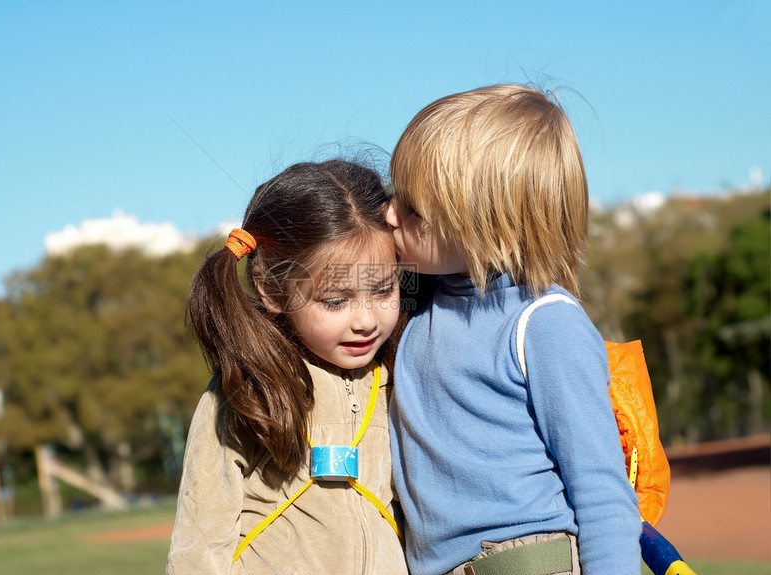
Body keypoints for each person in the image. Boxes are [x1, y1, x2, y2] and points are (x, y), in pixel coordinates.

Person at [384, 84, 642, 575]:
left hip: (526, 562)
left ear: (492, 228)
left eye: (412, 209)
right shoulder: (420, 305)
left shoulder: (545, 323)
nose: (389, 212)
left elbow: (603, 494)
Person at [166, 160, 409, 574]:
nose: (366, 319)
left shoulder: (402, 377)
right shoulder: (248, 390)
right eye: (335, 301)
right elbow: (199, 544)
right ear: (272, 290)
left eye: (384, 289)